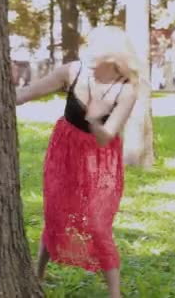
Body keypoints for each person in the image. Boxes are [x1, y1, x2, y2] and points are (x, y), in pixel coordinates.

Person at [16, 26, 139, 298]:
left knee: (98, 223)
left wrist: (94, 118)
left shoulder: (126, 90)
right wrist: (9, 86)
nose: (91, 59)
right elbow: (24, 96)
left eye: (98, 56)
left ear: (114, 59)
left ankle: (114, 293)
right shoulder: (73, 71)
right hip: (65, 152)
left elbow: (107, 137)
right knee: (55, 213)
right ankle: (37, 274)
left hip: (100, 159)